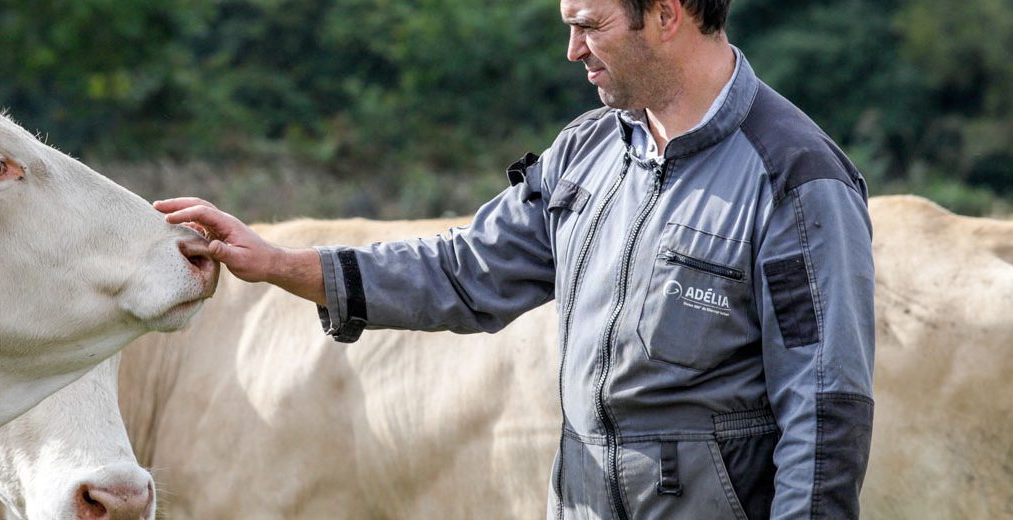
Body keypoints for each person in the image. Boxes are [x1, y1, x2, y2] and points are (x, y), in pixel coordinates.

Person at [154, 0, 875, 518]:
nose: (573, 51)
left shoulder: (795, 177)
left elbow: (825, 411)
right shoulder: (586, 152)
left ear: (666, 14)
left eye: (588, 25)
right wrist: (280, 263)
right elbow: (465, 272)